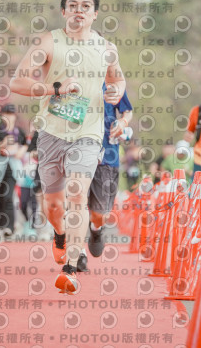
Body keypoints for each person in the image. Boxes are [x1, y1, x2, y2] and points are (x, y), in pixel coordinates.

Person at [10, 0, 126, 294]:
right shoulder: (49, 42)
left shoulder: (107, 49)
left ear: (95, 14)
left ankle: (70, 268)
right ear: (63, 11)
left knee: (77, 195)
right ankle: (59, 234)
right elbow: (18, 83)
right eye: (72, 6)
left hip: (88, 134)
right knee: (53, 204)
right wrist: (55, 88)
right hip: (51, 133)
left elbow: (118, 81)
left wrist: (116, 92)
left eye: (85, 6)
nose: (79, 11)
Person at [83, 86, 132, 271]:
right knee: (75, 205)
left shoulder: (112, 82)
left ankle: (96, 229)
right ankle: (77, 253)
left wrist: (123, 123)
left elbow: (127, 111)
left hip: (107, 156)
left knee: (100, 213)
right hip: (77, 153)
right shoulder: (73, 78)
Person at [0, 104, 28, 238]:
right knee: (1, 196)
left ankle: (9, 226)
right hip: (0, 166)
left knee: (9, 195)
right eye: (6, 114)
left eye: (11, 114)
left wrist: (21, 150)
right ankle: (0, 224)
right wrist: (4, 144)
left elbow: (26, 144)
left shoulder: (19, 131)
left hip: (13, 167)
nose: (9, 117)